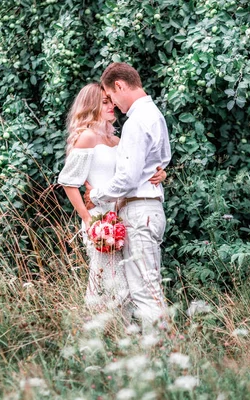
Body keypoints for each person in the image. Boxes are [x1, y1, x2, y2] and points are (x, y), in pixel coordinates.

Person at [57, 82, 166, 314]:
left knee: (125, 287)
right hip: (100, 221)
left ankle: (121, 338)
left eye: (111, 101)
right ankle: (98, 333)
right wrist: (87, 219)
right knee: (107, 285)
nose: (112, 106)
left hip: (122, 217)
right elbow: (68, 181)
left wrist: (159, 171)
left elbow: (134, 170)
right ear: (91, 106)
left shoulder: (117, 141)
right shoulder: (86, 137)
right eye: (104, 103)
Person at [84, 63, 171, 331]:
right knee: (148, 287)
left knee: (145, 291)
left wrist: (96, 194)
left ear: (120, 85)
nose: (115, 105)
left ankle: (159, 354)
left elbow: (128, 178)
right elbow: (163, 158)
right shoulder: (155, 114)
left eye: (112, 96)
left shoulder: (136, 121)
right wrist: (161, 173)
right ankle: (156, 351)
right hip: (151, 208)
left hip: (139, 211)